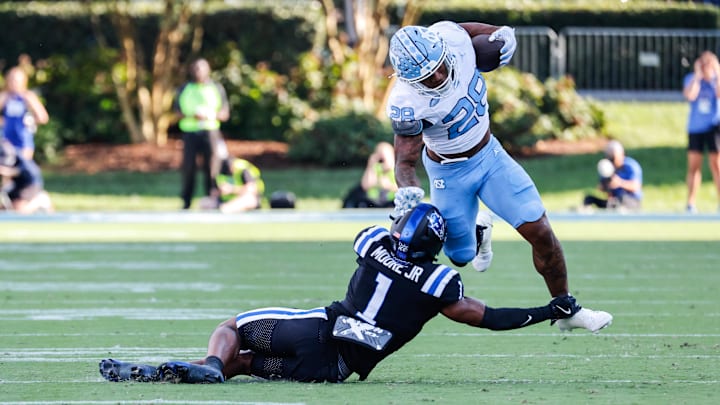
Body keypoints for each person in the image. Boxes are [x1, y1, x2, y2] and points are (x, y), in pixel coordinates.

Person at [98, 203, 612, 384]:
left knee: (232, 330)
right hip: (336, 370)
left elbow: (388, 227)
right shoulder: (439, 285)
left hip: (318, 328)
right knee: (248, 365)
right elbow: (492, 317)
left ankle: (207, 365)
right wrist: (550, 309)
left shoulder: (371, 243)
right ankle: (206, 371)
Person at [385, 21, 612, 331]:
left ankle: (567, 309)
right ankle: (480, 230)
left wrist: (500, 31)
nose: (437, 77)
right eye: (426, 77)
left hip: (491, 157)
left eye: (438, 68)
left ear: (442, 51)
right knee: (460, 256)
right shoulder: (406, 102)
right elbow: (405, 160)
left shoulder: (451, 40)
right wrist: (408, 191)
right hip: (447, 173)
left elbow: (463, 29)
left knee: (542, 233)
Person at [174, 58, 230, 210]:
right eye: (196, 69)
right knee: (189, 167)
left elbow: (225, 113)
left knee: (211, 168)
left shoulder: (216, 88)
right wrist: (192, 115)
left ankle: (212, 199)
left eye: (202, 69)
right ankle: (186, 201)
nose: (199, 72)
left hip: (210, 132)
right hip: (190, 133)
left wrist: (210, 115)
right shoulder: (185, 89)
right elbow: (177, 112)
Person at [682, 51, 720, 214]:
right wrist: (698, 76)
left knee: (716, 165)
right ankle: (691, 203)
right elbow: (690, 95)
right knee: (694, 166)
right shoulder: (692, 79)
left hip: (714, 127)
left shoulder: (715, 81)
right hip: (696, 128)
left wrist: (717, 74)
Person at [0, 66, 49, 161]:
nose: (14, 83)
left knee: (23, 166)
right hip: (7, 140)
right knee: (7, 168)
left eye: (16, 80)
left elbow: (43, 117)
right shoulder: (5, 96)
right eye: (11, 80)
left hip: (23, 140)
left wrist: (31, 120)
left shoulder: (28, 96)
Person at [583, 140, 643, 211]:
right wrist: (604, 186)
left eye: (613, 158)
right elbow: (603, 189)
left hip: (631, 201)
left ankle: (619, 208)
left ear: (621, 154)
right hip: (614, 201)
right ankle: (584, 211)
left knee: (621, 198)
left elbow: (636, 186)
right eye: (609, 157)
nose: (611, 160)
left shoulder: (631, 166)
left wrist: (620, 183)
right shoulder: (608, 167)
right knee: (589, 198)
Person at [0, 140, 53, 214]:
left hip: (30, 183)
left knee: (19, 210)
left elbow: (23, 170)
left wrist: (7, 172)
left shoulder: (14, 153)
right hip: (16, 183)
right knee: (5, 208)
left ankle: (40, 200)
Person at [199, 156, 264, 213]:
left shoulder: (243, 170)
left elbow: (252, 189)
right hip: (224, 201)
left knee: (249, 200)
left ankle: (229, 209)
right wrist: (220, 191)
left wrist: (232, 189)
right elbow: (214, 192)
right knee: (204, 203)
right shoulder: (221, 171)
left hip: (245, 199)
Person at [342, 141, 398, 208]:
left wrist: (389, 186)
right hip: (373, 202)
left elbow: (401, 189)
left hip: (391, 202)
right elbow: (365, 185)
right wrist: (371, 165)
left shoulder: (396, 169)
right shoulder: (375, 168)